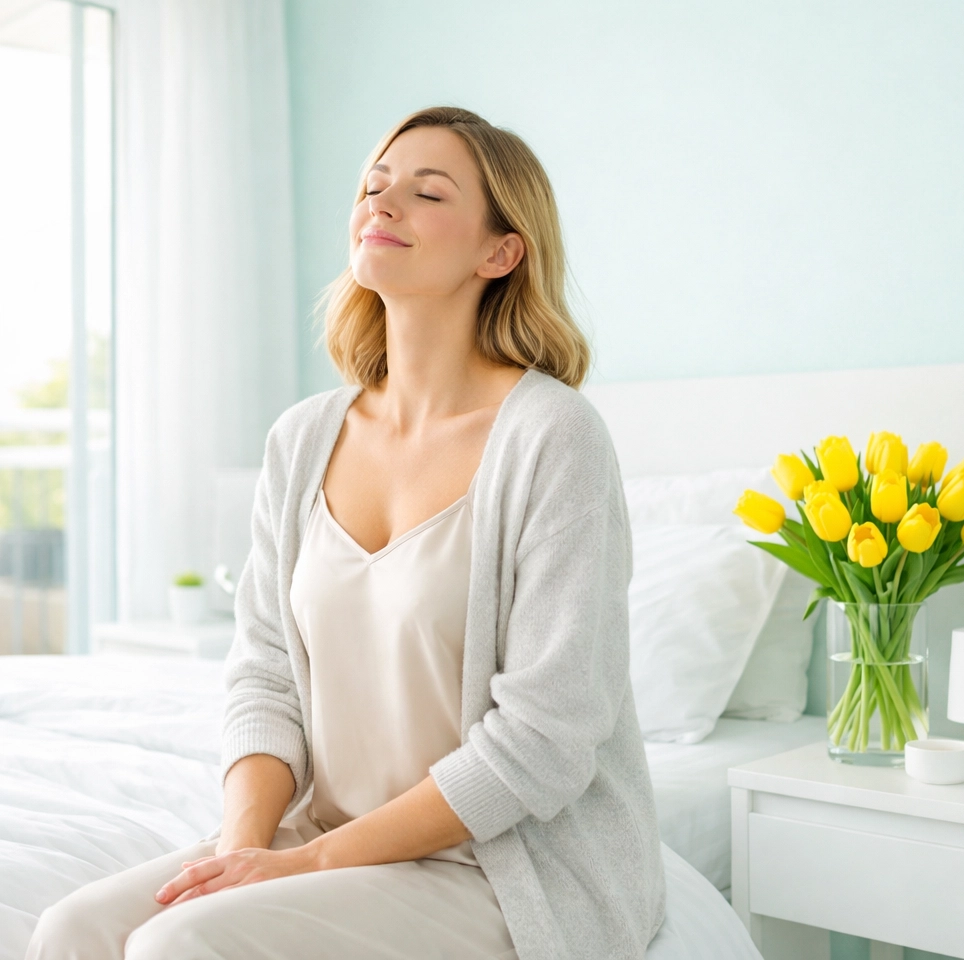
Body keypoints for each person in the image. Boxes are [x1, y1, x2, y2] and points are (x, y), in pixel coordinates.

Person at [26, 106, 666, 960]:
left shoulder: (554, 437)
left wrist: (305, 866)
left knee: (179, 946)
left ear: (500, 253)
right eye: (374, 186)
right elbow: (265, 677)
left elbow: (546, 740)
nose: (382, 204)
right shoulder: (303, 438)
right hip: (324, 834)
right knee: (67, 931)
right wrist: (243, 850)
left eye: (427, 193)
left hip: (496, 863)